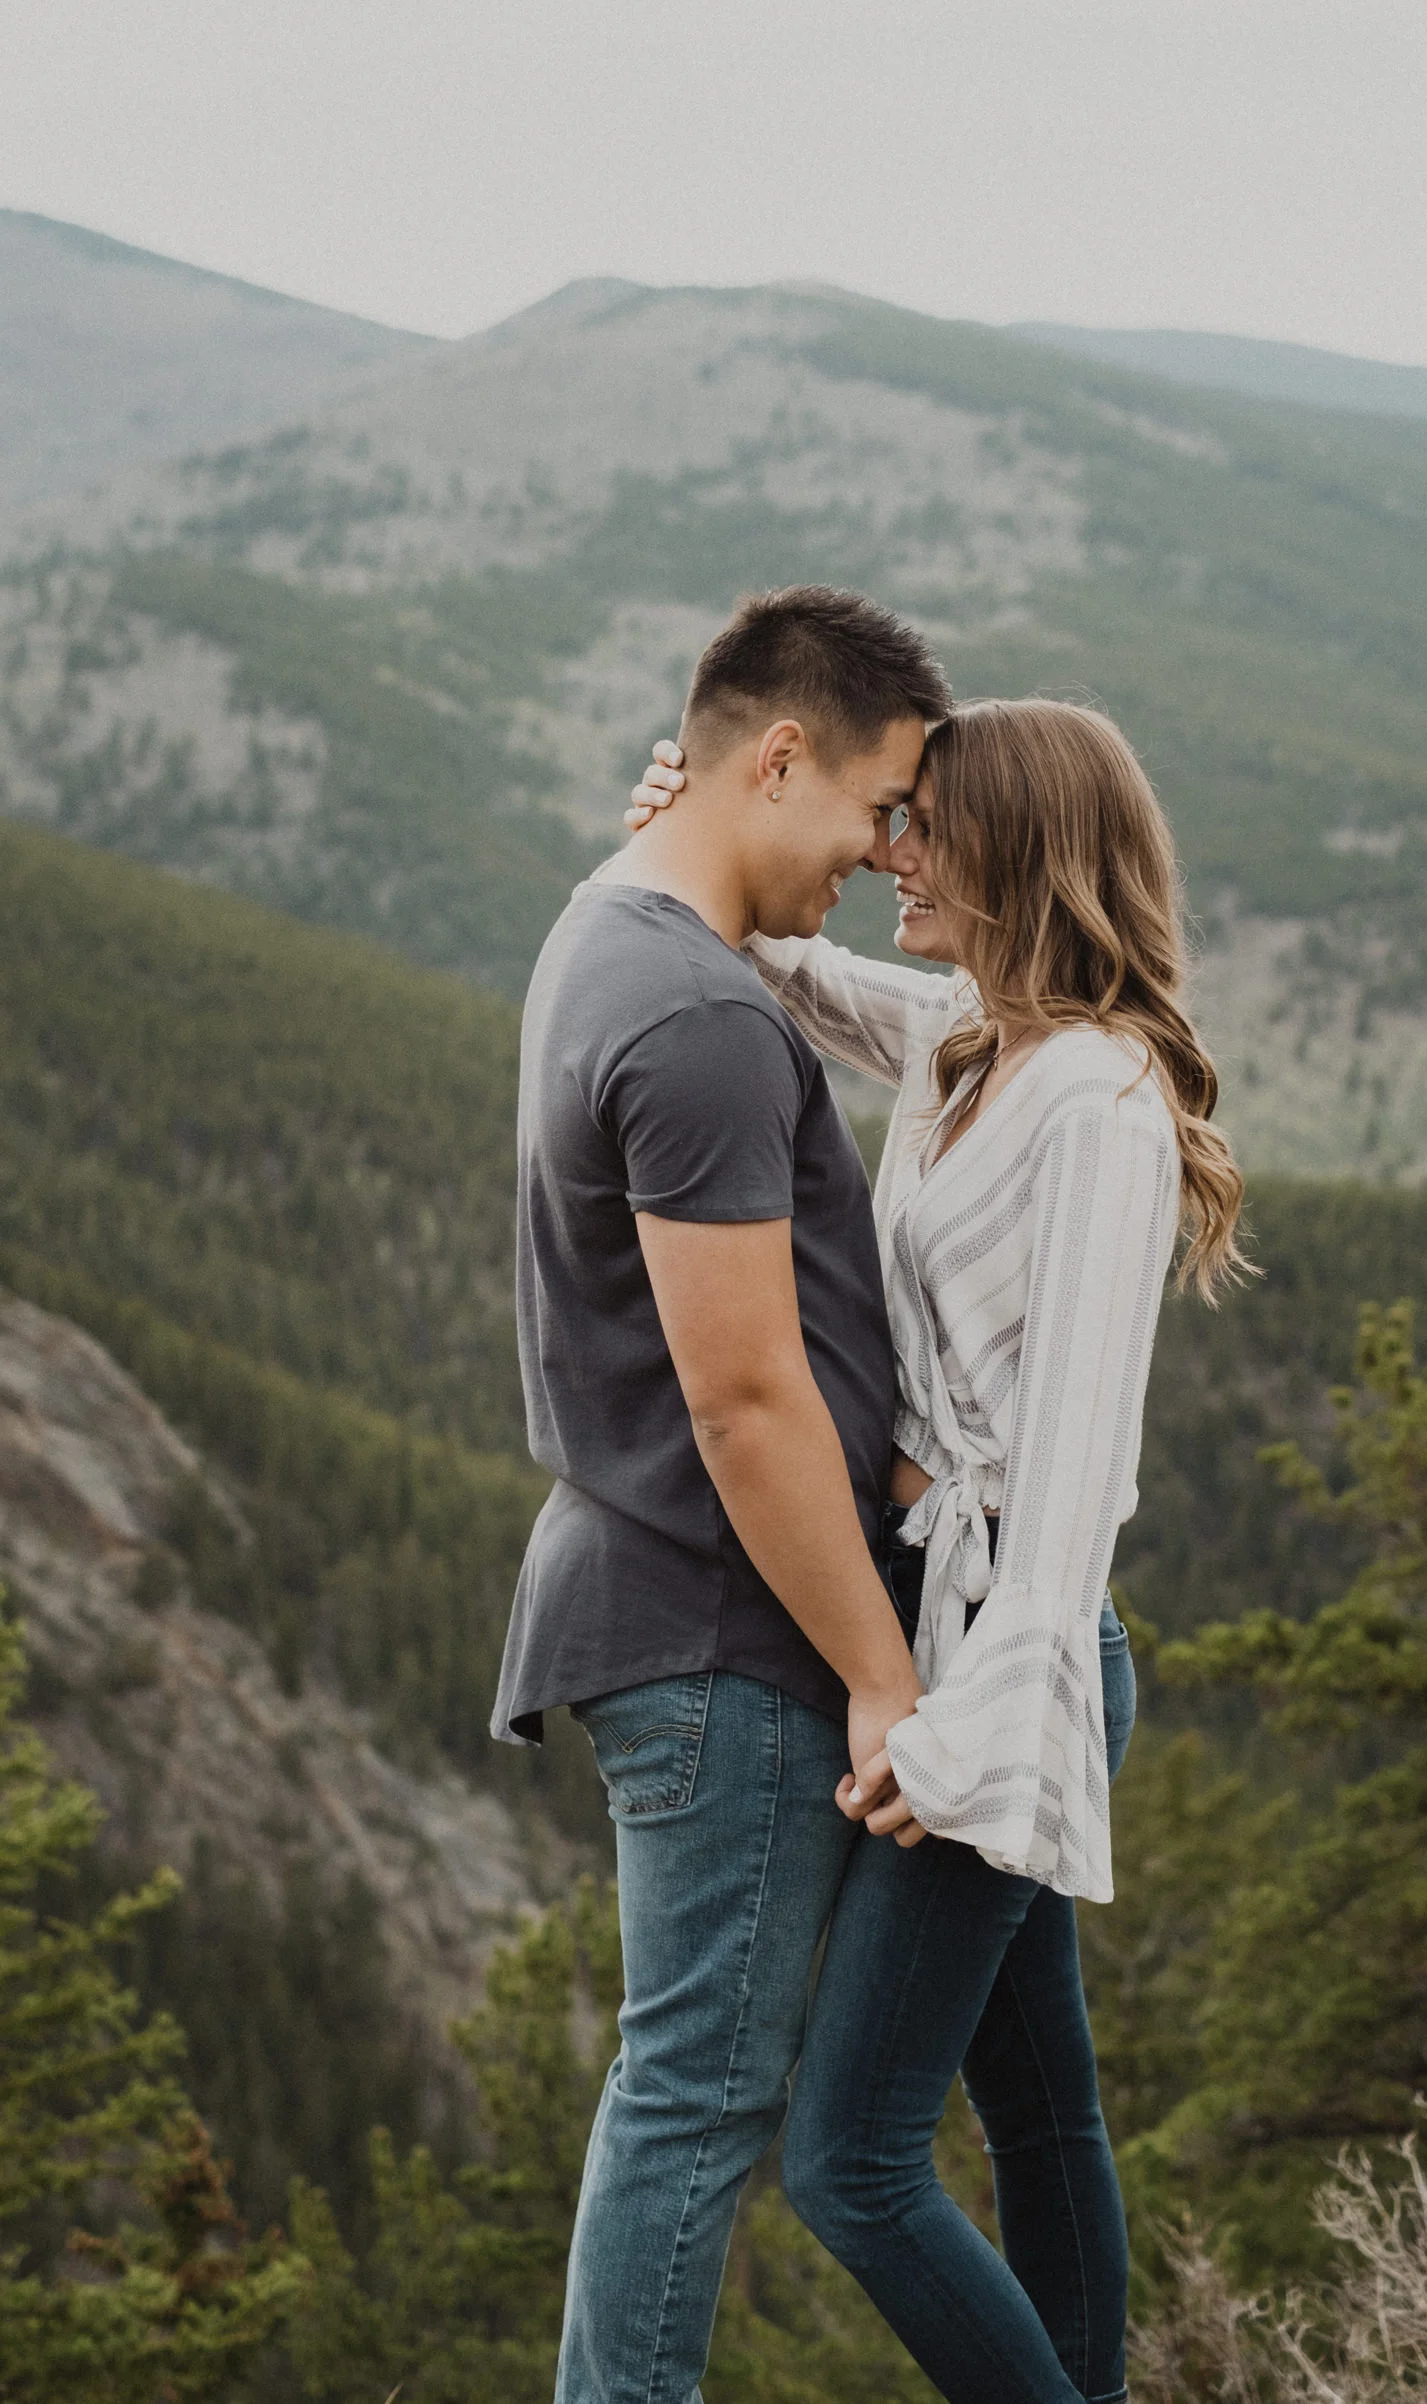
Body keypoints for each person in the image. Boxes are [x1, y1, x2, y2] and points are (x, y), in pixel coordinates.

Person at [628, 697, 1246, 2404]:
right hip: (934, 1610)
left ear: (1017, 850)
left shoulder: (1104, 1103)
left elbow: (1074, 1466)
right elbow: (790, 975)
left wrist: (973, 1728)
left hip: (1010, 1653)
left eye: (922, 826)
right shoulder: (986, 1036)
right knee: (1043, 2112)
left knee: (851, 2161)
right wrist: (687, 838)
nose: (890, 852)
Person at [492, 584, 951, 2404]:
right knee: (695, 2099)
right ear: (775, 758)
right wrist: (881, 1673)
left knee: (688, 2088)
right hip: (721, 1626)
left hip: (675, 1603)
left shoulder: (623, 935)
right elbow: (748, 1399)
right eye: (872, 809)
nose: (878, 850)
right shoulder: (688, 1013)